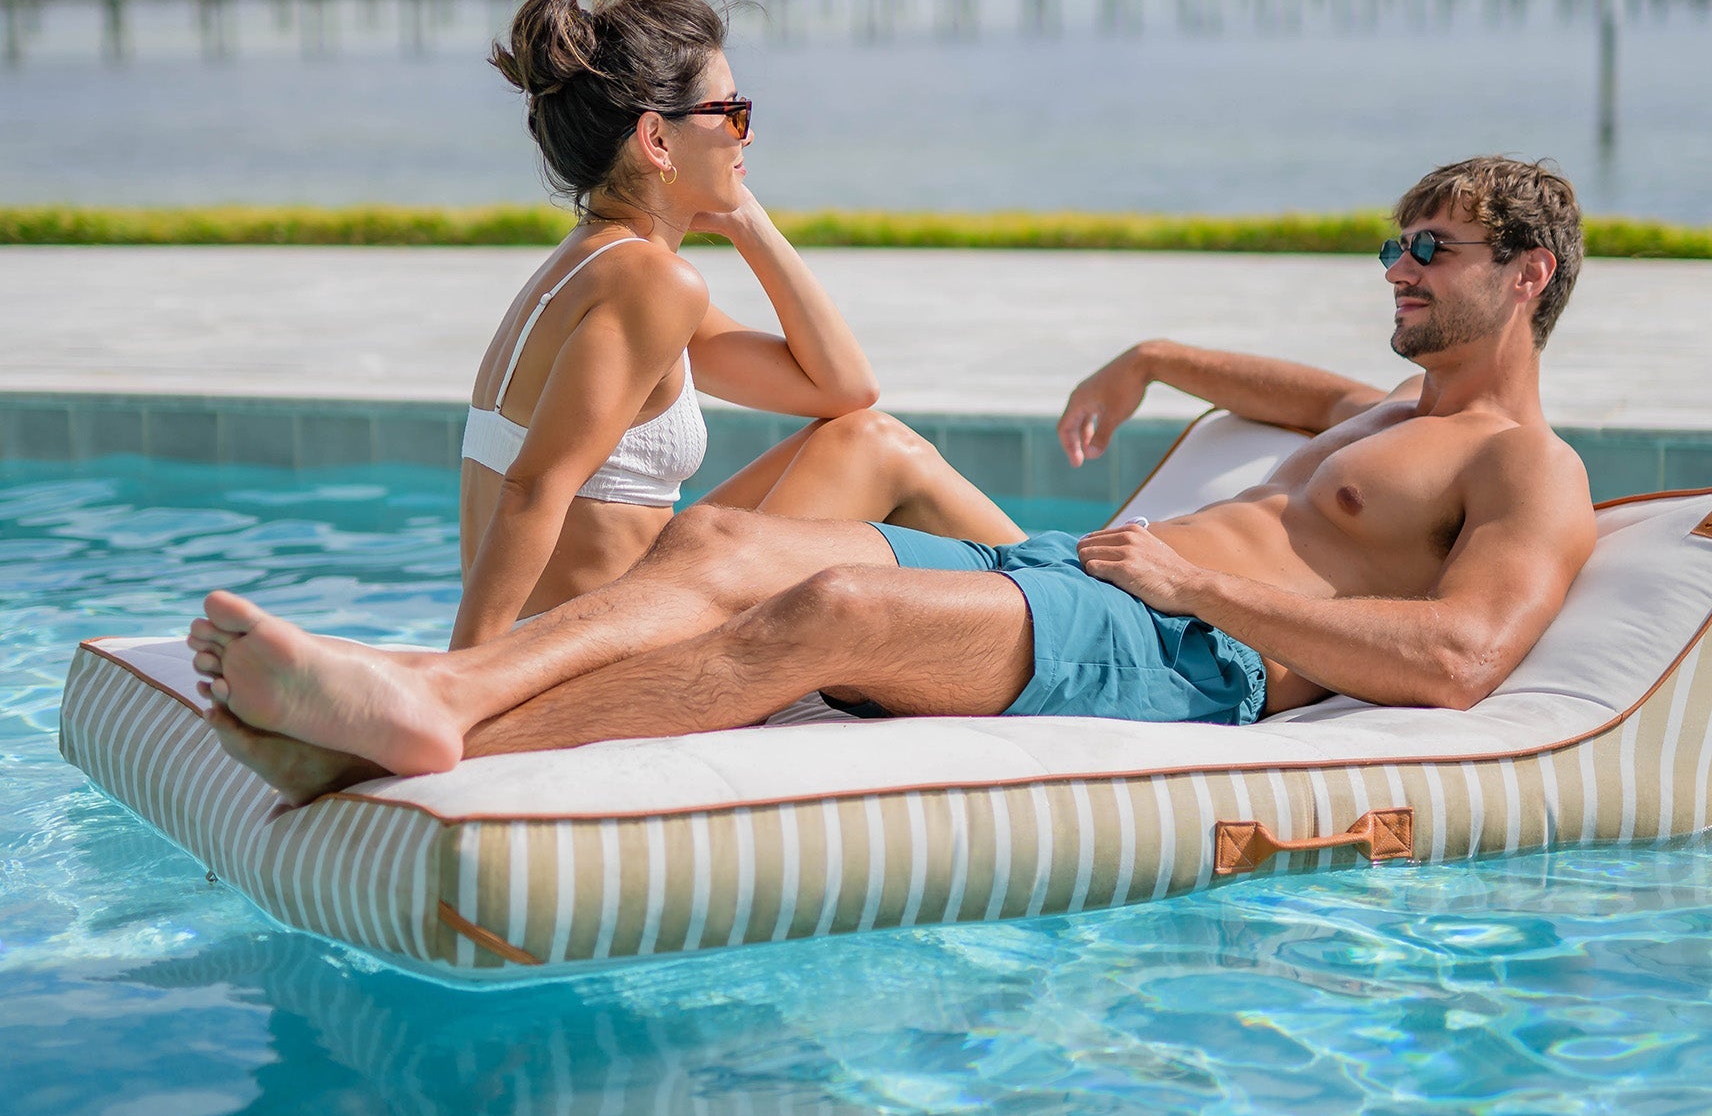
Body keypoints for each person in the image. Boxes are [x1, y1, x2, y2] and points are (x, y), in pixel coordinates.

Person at [188, 156, 1598, 805]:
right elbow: (1279, 390)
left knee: (829, 609)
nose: (1397, 271)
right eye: (1394, 248)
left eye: (1433, 252)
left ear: (1527, 278)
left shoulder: (1529, 467)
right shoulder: (1380, 412)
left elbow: (1463, 658)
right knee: (737, 540)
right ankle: (439, 692)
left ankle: (427, 754)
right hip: (1080, 584)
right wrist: (1148, 355)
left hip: (1185, 648)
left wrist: (1198, 582)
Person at [452, 0, 1021, 647]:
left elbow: (842, 390)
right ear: (657, 140)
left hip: (607, 614)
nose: (745, 135)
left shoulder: (595, 264)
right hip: (599, 644)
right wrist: (468, 678)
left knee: (857, 435)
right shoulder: (651, 284)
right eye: (731, 113)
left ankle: (1072, 593)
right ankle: (1089, 606)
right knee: (878, 449)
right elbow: (533, 489)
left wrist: (750, 222)